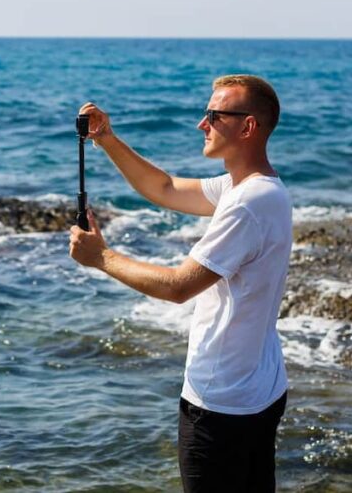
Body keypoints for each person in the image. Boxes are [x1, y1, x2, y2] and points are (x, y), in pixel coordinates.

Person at [69, 74, 293, 493]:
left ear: (247, 127)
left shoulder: (247, 203)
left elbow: (177, 287)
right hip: (260, 386)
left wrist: (100, 257)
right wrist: (107, 139)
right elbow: (165, 187)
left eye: (214, 115)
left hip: (221, 400)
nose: (201, 124)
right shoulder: (252, 187)